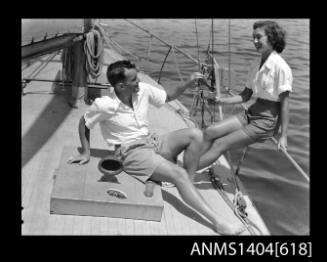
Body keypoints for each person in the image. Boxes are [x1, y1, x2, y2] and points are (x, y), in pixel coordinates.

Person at [67, 60, 245, 235]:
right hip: (131, 152)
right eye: (134, 79)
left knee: (196, 134)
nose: (139, 81)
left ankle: (187, 185)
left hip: (152, 141)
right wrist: (86, 151)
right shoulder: (105, 105)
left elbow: (168, 97)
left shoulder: (142, 90)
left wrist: (188, 82)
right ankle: (219, 223)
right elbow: (84, 122)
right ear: (121, 86)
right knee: (178, 173)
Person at [197, 20, 293, 170]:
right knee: (209, 132)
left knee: (220, 144)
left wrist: (283, 136)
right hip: (251, 113)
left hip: (266, 122)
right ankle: (194, 164)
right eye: (253, 37)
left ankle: (182, 174)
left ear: (272, 38)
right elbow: (245, 95)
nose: (254, 41)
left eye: (259, 37)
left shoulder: (281, 67)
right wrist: (220, 101)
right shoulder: (256, 63)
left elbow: (285, 104)